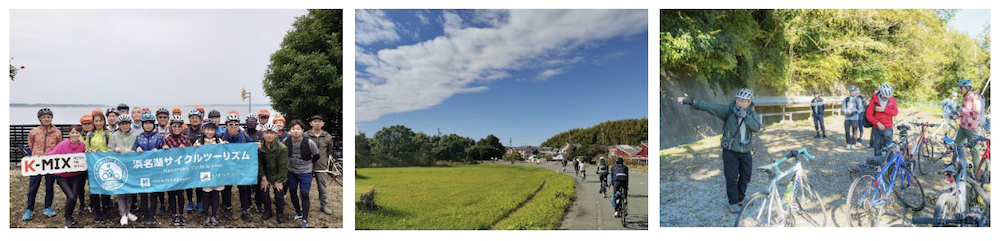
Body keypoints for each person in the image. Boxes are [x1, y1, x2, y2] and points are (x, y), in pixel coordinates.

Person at [678, 88, 761, 213]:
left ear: (749, 103)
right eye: (739, 99)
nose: (740, 103)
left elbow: (756, 128)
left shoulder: (752, 114)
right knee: (731, 177)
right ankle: (733, 202)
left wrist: (746, 118)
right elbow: (708, 107)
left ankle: (740, 197)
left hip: (746, 152)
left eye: (744, 101)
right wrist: (692, 101)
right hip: (730, 151)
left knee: (746, 176)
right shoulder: (728, 110)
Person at [23, 108, 61, 221]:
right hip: (36, 162)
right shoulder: (33, 131)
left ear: (52, 118)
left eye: (48, 117)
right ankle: (29, 208)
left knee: (49, 186)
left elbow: (59, 146)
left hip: (50, 163)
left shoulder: (57, 132)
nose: (46, 119)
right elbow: (31, 144)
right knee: (33, 186)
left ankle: (48, 207)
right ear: (40, 118)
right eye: (44, 117)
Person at [47, 125, 86, 228]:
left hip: (75, 175)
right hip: (62, 176)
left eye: (77, 133)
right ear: (68, 134)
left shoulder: (82, 145)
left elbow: (85, 157)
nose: (75, 135)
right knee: (71, 196)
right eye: (72, 133)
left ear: (80, 134)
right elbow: (50, 155)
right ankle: (67, 218)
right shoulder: (62, 145)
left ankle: (70, 216)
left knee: (74, 197)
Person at [284, 119, 319, 228]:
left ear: (302, 130)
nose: (295, 131)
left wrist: (308, 164)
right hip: (291, 171)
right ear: (290, 130)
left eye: (298, 129)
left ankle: (304, 219)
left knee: (304, 194)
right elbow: (281, 152)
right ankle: (298, 213)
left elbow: (316, 155)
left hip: (305, 172)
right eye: (293, 129)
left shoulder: (308, 142)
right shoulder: (286, 140)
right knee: (292, 191)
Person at [220, 113, 253, 221]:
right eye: (231, 124)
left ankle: (244, 209)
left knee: (243, 188)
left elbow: (252, 146)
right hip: (226, 167)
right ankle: (228, 207)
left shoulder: (243, 135)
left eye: (236, 124)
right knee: (227, 188)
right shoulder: (221, 136)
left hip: (240, 167)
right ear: (226, 126)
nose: (233, 126)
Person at [160, 115, 192, 226]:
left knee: (181, 194)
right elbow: (161, 155)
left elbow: (193, 154)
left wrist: (186, 150)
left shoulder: (186, 139)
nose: (177, 128)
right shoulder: (167, 139)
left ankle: (181, 215)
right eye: (174, 126)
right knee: (171, 194)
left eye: (179, 126)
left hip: (182, 171)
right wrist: (164, 149)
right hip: (170, 172)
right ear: (171, 127)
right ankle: (174, 215)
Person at [134, 112, 165, 225]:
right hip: (142, 170)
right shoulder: (138, 137)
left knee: (153, 193)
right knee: (142, 193)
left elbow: (163, 150)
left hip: (154, 170)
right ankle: (145, 214)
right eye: (145, 123)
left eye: (150, 123)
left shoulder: (158, 137)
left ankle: (152, 214)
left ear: (153, 124)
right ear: (142, 125)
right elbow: (134, 150)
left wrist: (160, 151)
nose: (148, 125)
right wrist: (136, 149)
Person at [108, 115, 139, 226]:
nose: (125, 126)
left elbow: (138, 150)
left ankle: (128, 211)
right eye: (122, 124)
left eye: (126, 123)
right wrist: (114, 150)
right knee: (120, 192)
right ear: (119, 125)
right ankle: (123, 214)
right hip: (118, 168)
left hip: (130, 167)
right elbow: (109, 150)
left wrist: (133, 152)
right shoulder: (115, 136)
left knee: (129, 191)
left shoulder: (134, 136)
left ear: (129, 124)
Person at [194, 119, 226, 226]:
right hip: (205, 173)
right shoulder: (199, 142)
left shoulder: (219, 141)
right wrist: (195, 148)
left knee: (216, 194)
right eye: (207, 129)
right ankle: (206, 215)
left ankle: (214, 215)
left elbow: (227, 153)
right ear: (203, 130)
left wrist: (227, 146)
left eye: (212, 129)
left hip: (217, 172)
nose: (210, 132)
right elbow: (192, 156)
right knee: (206, 194)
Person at [85, 109, 114, 223]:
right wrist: (90, 150)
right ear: (93, 122)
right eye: (96, 121)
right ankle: (97, 212)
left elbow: (111, 149)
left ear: (104, 122)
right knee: (94, 190)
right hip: (93, 166)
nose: (98, 123)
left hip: (105, 166)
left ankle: (105, 212)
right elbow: (86, 149)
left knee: (104, 189)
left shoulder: (108, 134)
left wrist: (102, 153)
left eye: (100, 121)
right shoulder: (89, 134)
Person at [258, 123, 289, 223]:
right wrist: (263, 178)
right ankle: (268, 211)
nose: (269, 135)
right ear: (263, 134)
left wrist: (279, 181)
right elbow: (260, 164)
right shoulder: (260, 147)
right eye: (267, 133)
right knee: (264, 190)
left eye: (272, 133)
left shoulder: (282, 148)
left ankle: (280, 213)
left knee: (279, 192)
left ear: (276, 134)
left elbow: (283, 166)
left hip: (278, 173)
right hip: (266, 173)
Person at [305, 115, 335, 215]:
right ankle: (304, 206)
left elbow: (329, 150)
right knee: (305, 188)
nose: (317, 123)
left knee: (322, 187)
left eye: (319, 121)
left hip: (321, 166)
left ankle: (324, 206)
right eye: (315, 121)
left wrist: (324, 160)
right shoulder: (305, 135)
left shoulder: (327, 137)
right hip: (307, 165)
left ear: (323, 124)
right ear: (311, 123)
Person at [951, 79, 983, 170]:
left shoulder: (975, 98)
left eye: (961, 88)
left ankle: (976, 171)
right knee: (957, 146)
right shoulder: (965, 97)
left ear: (968, 87)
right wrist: (958, 114)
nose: (960, 90)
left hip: (971, 128)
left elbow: (976, 114)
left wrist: (962, 110)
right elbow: (964, 112)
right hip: (963, 126)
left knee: (973, 150)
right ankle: (954, 165)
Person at [866, 83, 899, 156]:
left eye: (888, 97)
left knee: (889, 149)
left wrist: (884, 109)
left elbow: (895, 112)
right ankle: (878, 166)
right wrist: (877, 123)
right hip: (876, 129)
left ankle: (890, 166)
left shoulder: (892, 100)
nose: (887, 99)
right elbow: (868, 115)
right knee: (877, 150)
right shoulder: (874, 101)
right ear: (881, 94)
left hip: (888, 129)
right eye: (885, 97)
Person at [183, 109, 205, 213]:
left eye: (197, 118)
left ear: (200, 119)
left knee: (199, 182)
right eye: (192, 118)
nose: (195, 120)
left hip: (201, 160)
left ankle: (199, 202)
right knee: (189, 182)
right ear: (189, 120)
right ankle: (190, 202)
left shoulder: (203, 130)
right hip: (188, 161)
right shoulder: (185, 131)